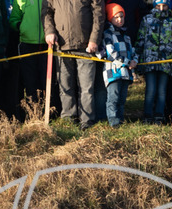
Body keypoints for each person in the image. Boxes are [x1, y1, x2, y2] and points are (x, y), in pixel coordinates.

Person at [43, 0, 105, 129]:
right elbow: (47, 12)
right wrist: (49, 31)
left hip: (86, 46)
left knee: (86, 87)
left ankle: (87, 121)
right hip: (61, 45)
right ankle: (68, 120)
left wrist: (94, 40)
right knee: (65, 86)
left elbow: (98, 12)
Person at [136, 0, 172, 124]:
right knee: (150, 90)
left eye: (164, 5)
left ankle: (159, 115)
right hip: (150, 62)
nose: (161, 9)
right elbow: (140, 39)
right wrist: (138, 59)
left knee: (162, 91)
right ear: (155, 5)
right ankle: (147, 115)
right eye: (159, 6)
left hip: (166, 62)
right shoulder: (147, 19)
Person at [99, 2, 135, 126]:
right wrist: (127, 62)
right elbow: (111, 53)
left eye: (121, 16)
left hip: (125, 73)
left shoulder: (126, 36)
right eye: (116, 17)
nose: (120, 19)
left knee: (122, 98)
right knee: (113, 98)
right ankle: (113, 122)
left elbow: (132, 51)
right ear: (110, 18)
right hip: (113, 72)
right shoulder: (108, 34)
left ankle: (120, 119)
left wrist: (135, 60)